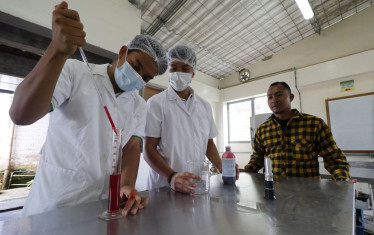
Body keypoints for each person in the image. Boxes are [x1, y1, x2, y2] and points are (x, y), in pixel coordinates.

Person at [9, 2, 168, 216]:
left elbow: (131, 148)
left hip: (100, 210)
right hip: (54, 207)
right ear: (122, 52)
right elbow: (21, 114)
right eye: (136, 65)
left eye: (146, 77)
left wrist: (127, 185)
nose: (139, 77)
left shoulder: (139, 105)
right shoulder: (75, 72)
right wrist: (56, 51)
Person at [144, 45, 239, 194]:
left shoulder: (204, 106)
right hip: (164, 185)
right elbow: (148, 149)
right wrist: (171, 176)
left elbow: (208, 143)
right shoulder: (156, 104)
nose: (179, 73)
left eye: (185, 68)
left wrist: (222, 166)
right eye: (174, 68)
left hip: (196, 184)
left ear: (193, 73)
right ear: (168, 71)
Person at [244, 81, 356, 182]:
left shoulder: (314, 124)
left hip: (307, 195)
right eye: (270, 97)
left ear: (291, 97)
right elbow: (257, 160)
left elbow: (334, 158)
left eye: (278, 95)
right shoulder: (263, 130)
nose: (274, 100)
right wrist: (240, 172)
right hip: (274, 193)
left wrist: (343, 180)